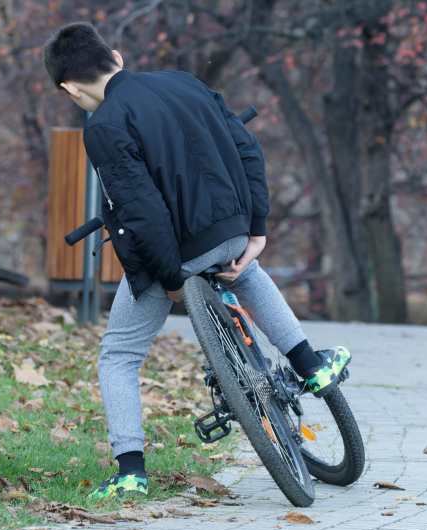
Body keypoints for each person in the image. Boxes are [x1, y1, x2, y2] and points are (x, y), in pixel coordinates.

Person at [43, 22, 351, 500]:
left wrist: (169, 279)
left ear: (69, 87)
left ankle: (130, 471)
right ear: (117, 57)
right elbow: (248, 148)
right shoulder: (186, 82)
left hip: (178, 254)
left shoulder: (103, 124)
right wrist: (257, 228)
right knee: (247, 271)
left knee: (119, 356)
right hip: (232, 229)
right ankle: (312, 366)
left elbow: (140, 209)